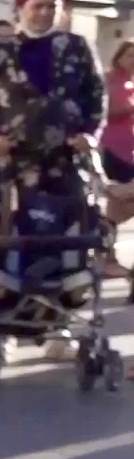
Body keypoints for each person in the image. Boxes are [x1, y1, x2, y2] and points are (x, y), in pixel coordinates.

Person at [0, 0, 107, 340]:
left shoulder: (77, 48)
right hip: (14, 164)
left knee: (67, 237)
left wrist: (90, 134)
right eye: (38, 6)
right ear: (21, 10)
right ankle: (4, 323)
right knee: (11, 237)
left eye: (52, 6)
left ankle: (58, 322)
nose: (45, 12)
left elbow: (97, 99)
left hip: (65, 162)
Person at [98, 38, 134, 279]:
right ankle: (106, 256)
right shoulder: (110, 80)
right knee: (115, 202)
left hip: (132, 151)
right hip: (113, 149)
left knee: (121, 205)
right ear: (119, 56)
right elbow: (104, 112)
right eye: (130, 55)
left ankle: (103, 241)